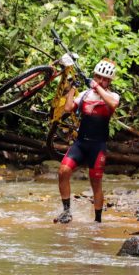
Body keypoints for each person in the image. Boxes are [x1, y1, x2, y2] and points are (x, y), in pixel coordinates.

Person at [54, 59, 120, 224]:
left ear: (109, 81)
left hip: (98, 147)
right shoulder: (85, 95)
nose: (101, 81)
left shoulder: (112, 96)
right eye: (98, 77)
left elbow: (113, 104)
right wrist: (72, 89)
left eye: (105, 79)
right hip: (81, 144)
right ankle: (67, 212)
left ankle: (97, 222)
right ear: (95, 75)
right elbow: (69, 109)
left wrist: (96, 87)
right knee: (63, 171)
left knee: (95, 183)